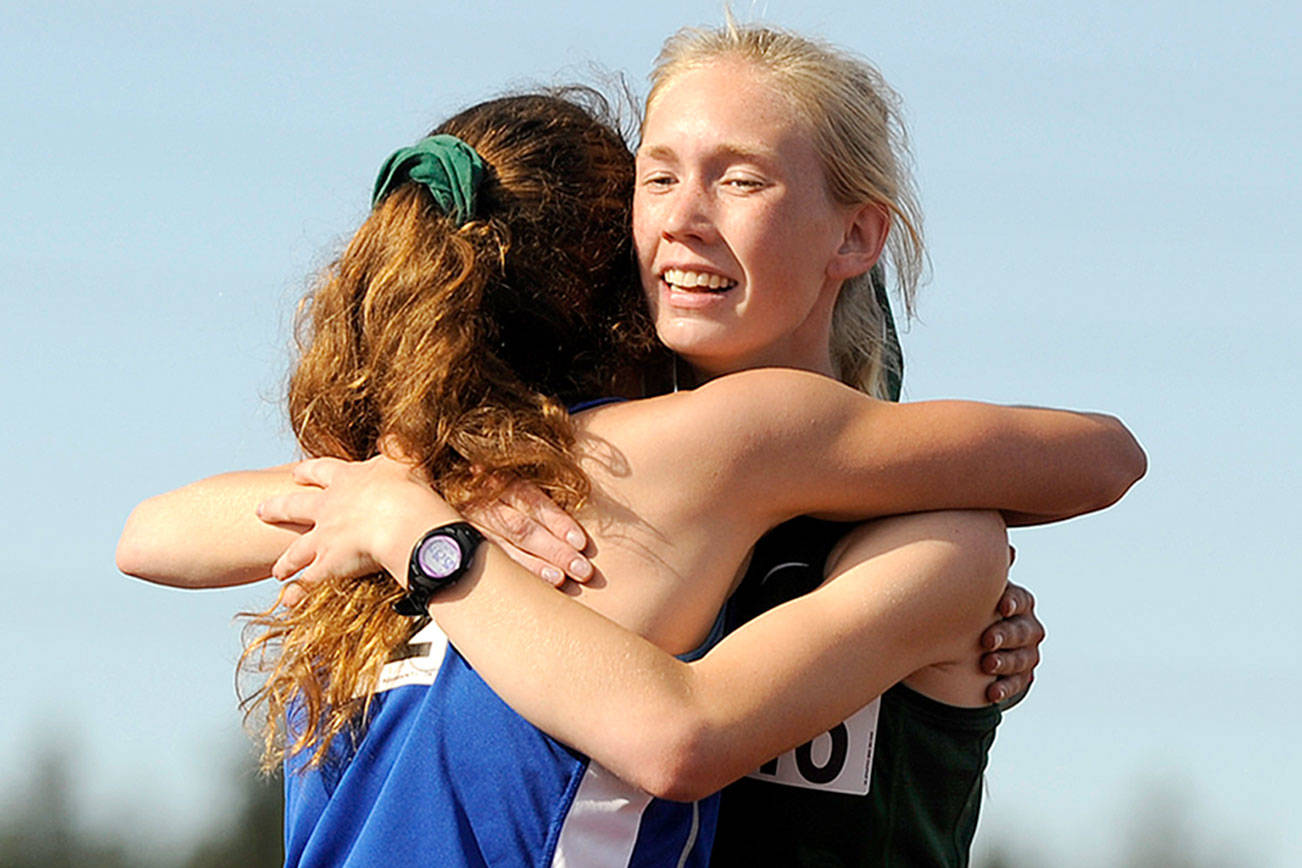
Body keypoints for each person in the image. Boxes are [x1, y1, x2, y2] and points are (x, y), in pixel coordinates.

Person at [118, 25, 1145, 868]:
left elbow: (1104, 457)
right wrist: (427, 496)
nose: (685, 220)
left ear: (856, 237)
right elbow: (163, 529)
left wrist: (422, 524)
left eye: (740, 180)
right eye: (658, 178)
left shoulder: (911, 518)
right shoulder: (566, 462)